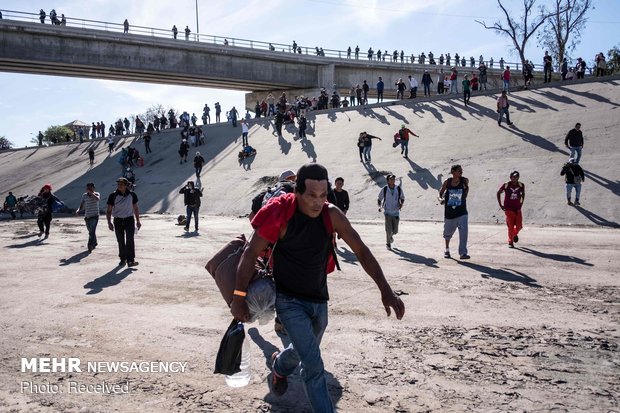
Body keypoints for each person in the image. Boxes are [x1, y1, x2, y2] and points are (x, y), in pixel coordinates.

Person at [231, 163, 405, 412]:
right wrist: (238, 297)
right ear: (297, 193)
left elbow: (361, 250)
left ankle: (279, 366)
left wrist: (385, 289)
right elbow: (249, 254)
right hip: (288, 301)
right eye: (311, 195)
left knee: (303, 349)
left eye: (323, 196)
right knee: (313, 365)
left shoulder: (330, 214)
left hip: (319, 298)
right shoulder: (281, 214)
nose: (317, 202)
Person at [106, 177, 140, 267]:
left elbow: (136, 208)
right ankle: (122, 259)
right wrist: (109, 222)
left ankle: (131, 260)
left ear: (126, 185)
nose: (119, 186)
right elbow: (109, 210)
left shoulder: (132, 195)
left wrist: (138, 220)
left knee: (130, 240)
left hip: (129, 220)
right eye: (118, 184)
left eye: (121, 184)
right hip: (118, 220)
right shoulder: (113, 196)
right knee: (120, 240)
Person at [438, 165, 470, 259]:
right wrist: (440, 199)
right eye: (459, 171)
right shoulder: (447, 182)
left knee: (464, 232)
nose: (461, 172)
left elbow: (466, 191)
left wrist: (465, 189)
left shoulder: (464, 181)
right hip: (450, 212)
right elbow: (440, 193)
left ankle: (463, 253)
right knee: (448, 233)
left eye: (461, 171)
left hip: (462, 211)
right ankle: (447, 249)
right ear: (453, 171)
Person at [496, 171, 525, 248]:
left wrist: (521, 204)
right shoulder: (506, 185)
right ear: (510, 177)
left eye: (516, 177)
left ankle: (514, 234)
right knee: (510, 226)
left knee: (519, 226)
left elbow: (523, 194)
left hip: (518, 208)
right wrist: (501, 205)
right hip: (508, 209)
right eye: (513, 177)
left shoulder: (521, 185)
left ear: (518, 177)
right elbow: (498, 193)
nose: (514, 178)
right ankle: (510, 241)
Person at [378, 174, 405, 249]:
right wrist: (379, 206)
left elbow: (402, 197)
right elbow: (379, 199)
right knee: (388, 230)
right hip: (387, 212)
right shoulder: (385, 189)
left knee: (395, 231)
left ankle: (390, 237)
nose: (392, 180)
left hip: (396, 212)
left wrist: (401, 204)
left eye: (393, 179)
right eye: (390, 179)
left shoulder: (398, 189)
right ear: (387, 181)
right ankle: (388, 243)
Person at [75, 183, 101, 252]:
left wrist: (91, 193)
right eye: (88, 188)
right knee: (91, 231)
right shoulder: (84, 195)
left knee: (92, 231)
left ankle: (90, 245)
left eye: (90, 187)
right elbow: (81, 204)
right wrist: (78, 210)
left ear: (93, 188)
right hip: (87, 216)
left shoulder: (97, 194)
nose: (89, 189)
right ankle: (94, 242)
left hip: (95, 216)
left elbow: (97, 199)